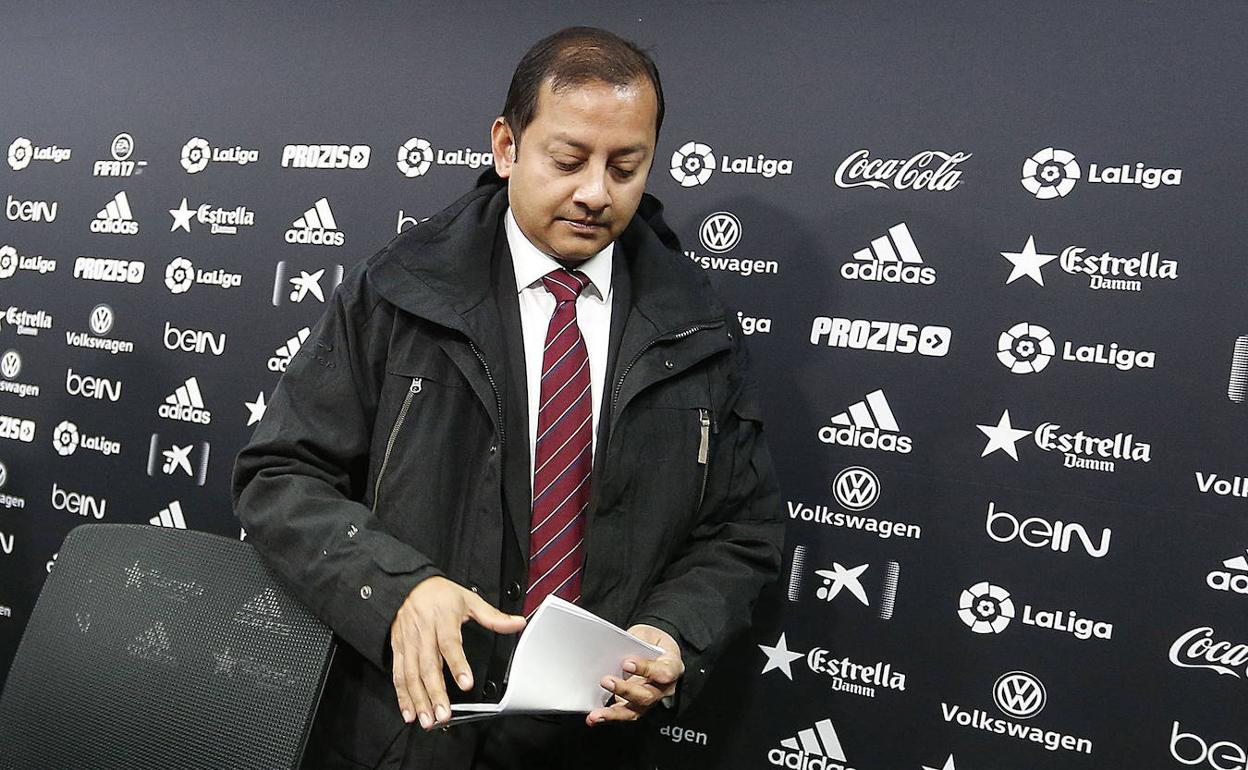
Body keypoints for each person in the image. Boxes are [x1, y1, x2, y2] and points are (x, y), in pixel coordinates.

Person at [232, 26, 783, 770]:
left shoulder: (698, 322)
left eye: (627, 166)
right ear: (505, 146)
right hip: (408, 731)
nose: (595, 192)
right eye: (568, 160)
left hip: (597, 743)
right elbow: (278, 476)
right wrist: (398, 590)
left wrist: (674, 634)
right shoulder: (397, 291)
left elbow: (740, 530)